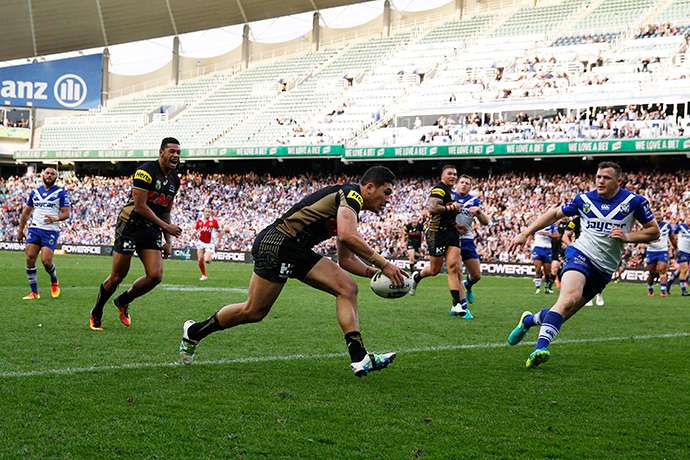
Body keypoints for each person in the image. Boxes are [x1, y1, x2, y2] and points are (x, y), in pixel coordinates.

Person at [178, 166, 408, 377]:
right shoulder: (351, 195)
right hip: (277, 243)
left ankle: (359, 356)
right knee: (254, 311)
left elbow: (346, 260)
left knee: (348, 288)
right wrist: (384, 264)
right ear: (369, 188)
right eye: (386, 193)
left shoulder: (350, 207)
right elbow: (348, 235)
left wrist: (373, 273)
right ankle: (195, 331)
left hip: (296, 249)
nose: (389, 199)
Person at [507, 161, 659, 368]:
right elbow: (554, 213)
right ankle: (539, 349)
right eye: (598, 177)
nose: (600, 181)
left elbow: (653, 232)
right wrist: (525, 233)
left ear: (619, 181)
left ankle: (528, 321)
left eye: (606, 177)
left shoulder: (635, 202)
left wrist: (628, 236)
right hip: (580, 254)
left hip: (604, 269)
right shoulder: (584, 200)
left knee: (563, 312)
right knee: (568, 299)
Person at [89, 138, 183, 331]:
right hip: (130, 226)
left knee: (155, 276)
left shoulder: (175, 179)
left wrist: (168, 241)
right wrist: (166, 228)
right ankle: (96, 311)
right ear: (161, 152)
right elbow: (140, 207)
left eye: (178, 152)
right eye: (172, 151)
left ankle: (123, 300)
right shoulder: (145, 172)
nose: (175, 155)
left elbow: (166, 211)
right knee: (118, 275)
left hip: (151, 230)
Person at [409, 165, 471, 317]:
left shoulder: (451, 193)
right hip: (437, 234)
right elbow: (433, 208)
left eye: (455, 174)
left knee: (453, 267)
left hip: (452, 234)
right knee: (435, 270)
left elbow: (447, 214)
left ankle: (456, 304)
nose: (453, 176)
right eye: (449, 174)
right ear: (442, 176)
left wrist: (457, 225)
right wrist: (452, 208)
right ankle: (417, 277)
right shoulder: (439, 189)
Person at [17, 167, 71, 299]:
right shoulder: (35, 192)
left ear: (56, 177)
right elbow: (27, 212)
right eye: (47, 173)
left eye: (53, 174)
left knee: (46, 262)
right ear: (43, 175)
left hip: (50, 231)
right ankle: (34, 292)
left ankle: (54, 280)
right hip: (35, 229)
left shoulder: (61, 193)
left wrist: (55, 218)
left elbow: (66, 213)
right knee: (30, 258)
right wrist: (20, 230)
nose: (50, 176)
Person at [455, 174, 490, 304]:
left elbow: (486, 222)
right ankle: (461, 306)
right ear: (457, 184)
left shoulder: (474, 201)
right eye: (462, 182)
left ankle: (468, 285)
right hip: (453, 240)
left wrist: (479, 212)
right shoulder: (451, 198)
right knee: (457, 273)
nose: (464, 185)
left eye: (467, 183)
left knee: (476, 275)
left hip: (468, 240)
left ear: (470, 187)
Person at [645, 210, 676, 297]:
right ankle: (650, 289)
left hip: (663, 251)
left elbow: (672, 238)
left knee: (662, 271)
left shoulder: (667, 226)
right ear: (653, 215)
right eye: (656, 215)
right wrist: (650, 240)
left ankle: (663, 292)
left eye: (659, 214)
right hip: (651, 251)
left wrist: (676, 248)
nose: (658, 216)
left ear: (662, 215)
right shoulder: (648, 226)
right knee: (652, 273)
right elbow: (643, 238)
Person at [530, 222, 559, 295]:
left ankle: (546, 286)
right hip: (537, 248)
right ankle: (538, 289)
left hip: (547, 249)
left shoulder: (552, 225)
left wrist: (547, 235)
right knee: (537, 269)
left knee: (547, 272)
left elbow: (557, 236)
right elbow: (531, 233)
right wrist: (529, 241)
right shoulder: (537, 224)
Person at [195, 206, 220, 281]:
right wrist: (194, 235)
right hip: (201, 242)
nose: (207, 213)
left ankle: (209, 257)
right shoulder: (200, 221)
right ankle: (204, 275)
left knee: (207, 260)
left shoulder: (214, 222)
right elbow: (196, 230)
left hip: (210, 243)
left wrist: (218, 241)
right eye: (206, 212)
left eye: (209, 212)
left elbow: (220, 231)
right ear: (204, 212)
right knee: (200, 259)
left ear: (211, 213)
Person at [668, 217, 690, 296]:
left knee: (680, 270)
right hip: (681, 251)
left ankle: (669, 283)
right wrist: (672, 245)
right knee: (685, 269)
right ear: (686, 219)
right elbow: (671, 234)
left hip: (689, 252)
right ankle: (684, 290)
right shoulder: (680, 227)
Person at [550, 216, 570, 289]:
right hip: (556, 248)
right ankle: (553, 282)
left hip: (567, 248)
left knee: (562, 265)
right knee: (554, 267)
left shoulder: (571, 224)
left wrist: (567, 243)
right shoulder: (557, 225)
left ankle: (560, 280)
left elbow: (573, 236)